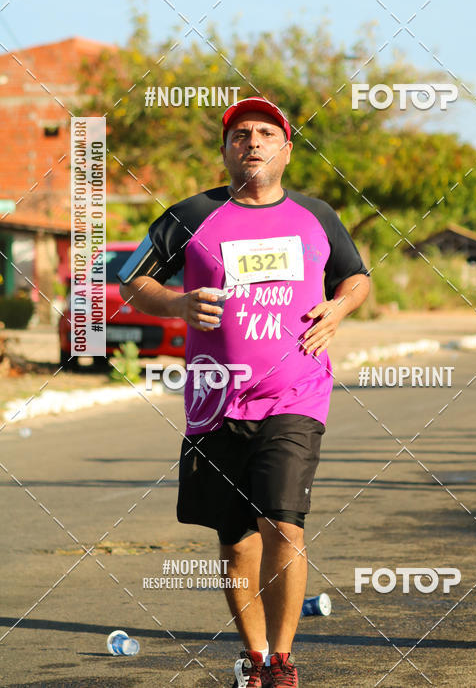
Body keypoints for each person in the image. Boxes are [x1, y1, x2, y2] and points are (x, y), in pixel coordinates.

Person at [118, 97, 370, 686]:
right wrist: (178, 303)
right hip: (216, 402)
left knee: (285, 522)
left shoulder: (316, 215)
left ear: (286, 149)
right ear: (225, 150)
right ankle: (253, 656)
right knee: (235, 540)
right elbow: (133, 281)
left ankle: (283, 658)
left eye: (264, 133)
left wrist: (339, 308)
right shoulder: (189, 215)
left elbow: (356, 275)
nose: (251, 142)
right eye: (239, 134)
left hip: (296, 396)